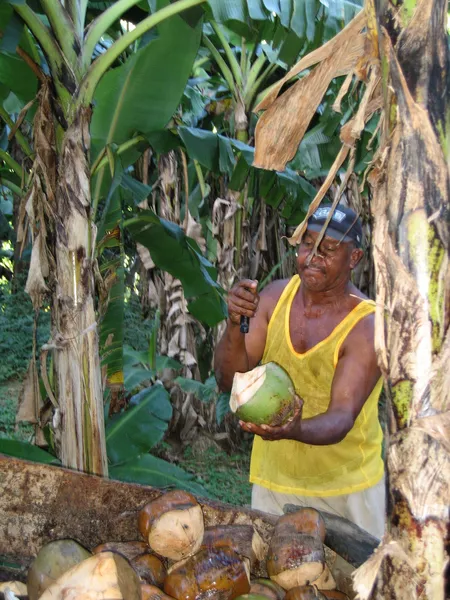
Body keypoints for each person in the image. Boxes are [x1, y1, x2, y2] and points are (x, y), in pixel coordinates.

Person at [214, 203, 385, 539]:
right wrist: (235, 324)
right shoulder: (274, 299)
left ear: (355, 258)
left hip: (347, 490)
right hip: (274, 484)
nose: (312, 257)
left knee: (354, 588)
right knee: (274, 585)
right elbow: (229, 380)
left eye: (328, 249)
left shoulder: (366, 326)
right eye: (307, 244)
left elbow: (341, 418)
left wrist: (291, 429)